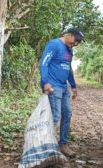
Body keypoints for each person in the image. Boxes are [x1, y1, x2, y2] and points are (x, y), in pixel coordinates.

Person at [39, 28, 84, 158]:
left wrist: (74, 87)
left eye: (78, 42)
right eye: (76, 40)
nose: (75, 44)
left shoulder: (70, 50)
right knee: (55, 116)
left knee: (67, 114)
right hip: (53, 86)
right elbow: (44, 63)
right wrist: (45, 82)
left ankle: (63, 144)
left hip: (64, 87)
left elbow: (68, 69)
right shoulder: (54, 44)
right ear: (69, 35)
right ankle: (45, 145)